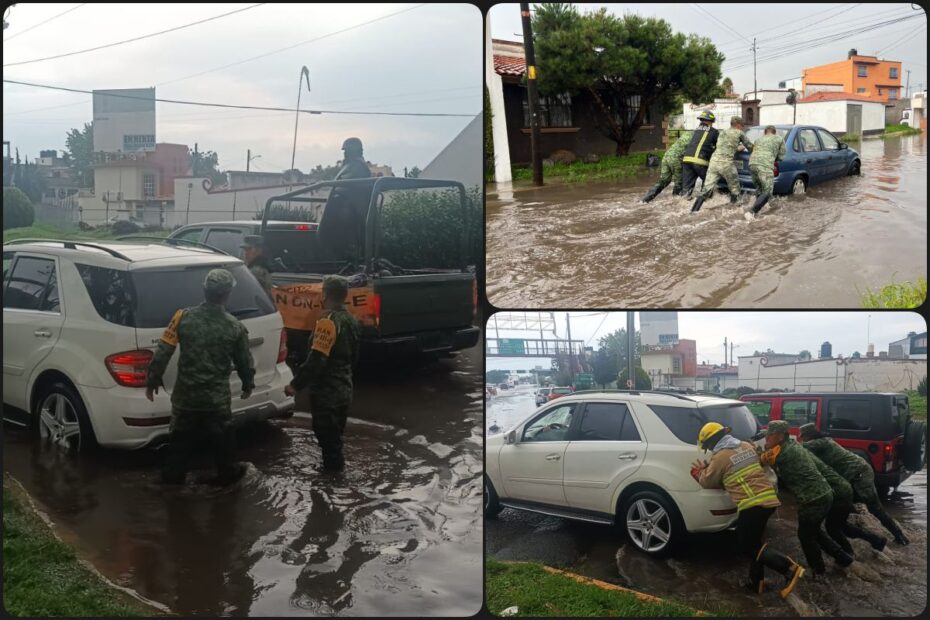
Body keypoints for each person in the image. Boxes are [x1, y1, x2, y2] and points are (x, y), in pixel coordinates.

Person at [146, 268, 254, 485]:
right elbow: (245, 361)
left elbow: (163, 351)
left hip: (186, 397)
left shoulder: (182, 317)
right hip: (216, 401)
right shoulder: (235, 326)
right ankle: (227, 480)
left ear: (204, 290)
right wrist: (247, 384)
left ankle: (172, 484)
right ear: (227, 295)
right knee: (224, 446)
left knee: (179, 444)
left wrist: (152, 379)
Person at [691, 422, 804, 597]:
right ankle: (755, 583)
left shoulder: (720, 456)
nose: (708, 449)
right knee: (756, 545)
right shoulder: (745, 445)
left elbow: (708, 482)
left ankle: (789, 569)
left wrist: (700, 472)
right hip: (768, 500)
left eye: (707, 446)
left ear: (712, 442)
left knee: (747, 546)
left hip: (753, 504)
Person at [284, 275, 361, 472]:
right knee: (335, 440)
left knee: (329, 444)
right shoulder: (352, 320)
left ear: (325, 294)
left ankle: (332, 487)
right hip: (344, 390)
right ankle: (335, 478)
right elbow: (354, 357)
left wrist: (295, 385)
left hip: (327, 395)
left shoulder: (327, 322)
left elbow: (317, 360)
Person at [760, 421, 854, 575]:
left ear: (780, 436)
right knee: (815, 532)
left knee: (805, 537)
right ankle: (843, 558)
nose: (767, 438)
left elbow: (761, 460)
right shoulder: (793, 444)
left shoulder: (783, 452)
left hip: (813, 500)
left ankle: (818, 572)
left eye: (770, 435)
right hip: (824, 494)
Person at [798, 423, 909, 545]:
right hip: (853, 475)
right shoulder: (821, 442)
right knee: (844, 509)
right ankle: (874, 539)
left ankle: (899, 536)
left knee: (875, 508)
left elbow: (798, 448)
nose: (802, 439)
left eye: (803, 437)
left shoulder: (821, 442)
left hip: (859, 474)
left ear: (808, 436)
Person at [809, 450, 888, 554]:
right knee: (842, 527)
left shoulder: (809, 459)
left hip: (839, 495)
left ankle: (848, 554)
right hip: (844, 492)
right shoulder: (821, 457)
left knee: (833, 528)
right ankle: (875, 540)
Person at [319, 138, 374, 262]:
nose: (344, 153)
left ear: (354, 151)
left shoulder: (358, 166)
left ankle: (350, 261)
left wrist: (338, 196)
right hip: (344, 209)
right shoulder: (350, 165)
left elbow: (347, 188)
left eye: (347, 150)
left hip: (352, 211)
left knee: (345, 241)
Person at [691, 116, 753, 213]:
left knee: (706, 190)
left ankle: (693, 211)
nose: (742, 128)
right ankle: (733, 211)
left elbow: (725, 146)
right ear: (738, 125)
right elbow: (750, 148)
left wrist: (736, 148)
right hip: (726, 163)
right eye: (742, 126)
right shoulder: (739, 133)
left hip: (714, 162)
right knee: (735, 188)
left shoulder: (722, 132)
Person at [640, 130, 692, 203]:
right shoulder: (697, 137)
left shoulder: (687, 133)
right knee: (679, 181)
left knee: (664, 180)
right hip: (676, 158)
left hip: (666, 156)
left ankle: (646, 199)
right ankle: (676, 201)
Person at [746, 125, 787, 219]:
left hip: (751, 164)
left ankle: (757, 211)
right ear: (774, 132)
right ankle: (751, 212)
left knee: (760, 190)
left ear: (765, 132)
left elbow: (754, 151)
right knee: (767, 192)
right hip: (765, 165)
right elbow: (781, 157)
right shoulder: (779, 139)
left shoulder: (758, 140)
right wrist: (771, 161)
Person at [680, 111, 719, 198]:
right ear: (710, 121)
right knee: (708, 182)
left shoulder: (696, 131)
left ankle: (684, 202)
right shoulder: (713, 131)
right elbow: (719, 146)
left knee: (686, 189)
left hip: (686, 160)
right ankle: (704, 203)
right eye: (712, 122)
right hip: (700, 161)